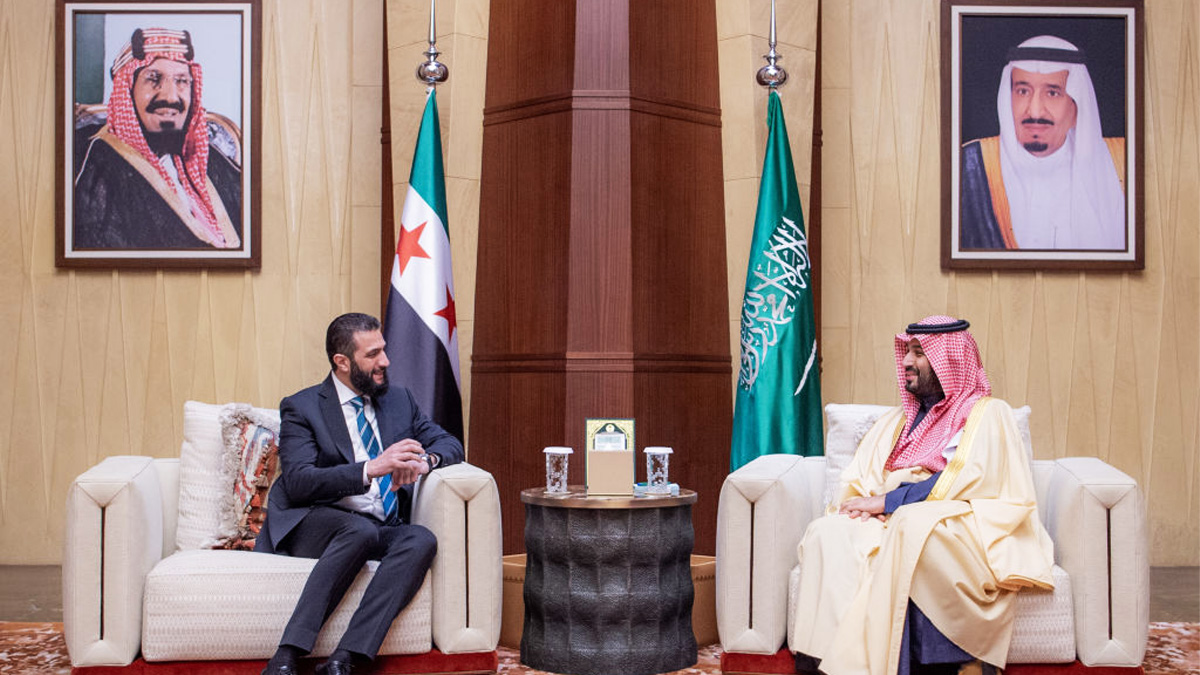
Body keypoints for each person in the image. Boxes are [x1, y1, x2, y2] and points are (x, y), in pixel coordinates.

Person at [789, 315, 1054, 675]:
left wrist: (889, 502)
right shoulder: (899, 419)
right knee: (828, 532)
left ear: (950, 360)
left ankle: (925, 664)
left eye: (918, 353)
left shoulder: (988, 413)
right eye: (906, 352)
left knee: (912, 527)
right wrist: (870, 504)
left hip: (957, 513)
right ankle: (821, 663)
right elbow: (868, 475)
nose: (906, 362)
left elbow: (971, 478)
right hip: (894, 511)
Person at [256, 313, 464, 675]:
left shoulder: (399, 400)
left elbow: (449, 443)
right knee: (359, 530)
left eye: (383, 349)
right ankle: (287, 656)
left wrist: (423, 462)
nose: (385, 361)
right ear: (342, 361)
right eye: (372, 354)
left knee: (420, 539)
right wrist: (371, 468)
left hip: (377, 524)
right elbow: (299, 482)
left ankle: (345, 658)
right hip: (315, 521)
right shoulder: (302, 407)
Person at [73, 27, 242, 249]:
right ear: (127, 91)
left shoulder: (209, 158)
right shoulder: (97, 165)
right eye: (153, 78)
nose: (170, 96)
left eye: (181, 81)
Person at [960, 35, 1126, 251]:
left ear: (1076, 105)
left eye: (1052, 93)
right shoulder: (968, 167)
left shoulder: (1121, 165)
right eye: (1023, 91)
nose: (1035, 111)